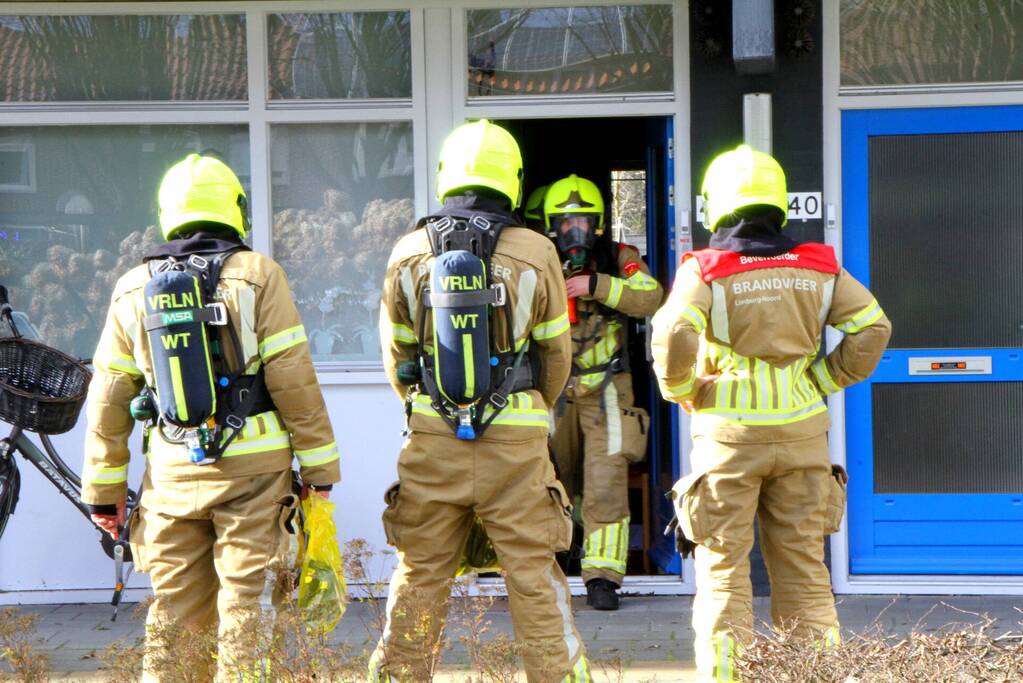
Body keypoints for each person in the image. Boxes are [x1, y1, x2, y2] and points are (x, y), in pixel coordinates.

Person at [83, 153, 340, 680]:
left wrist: (103, 492)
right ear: (235, 209)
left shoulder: (133, 287)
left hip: (173, 481)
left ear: (167, 212)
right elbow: (294, 380)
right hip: (254, 478)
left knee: (174, 615)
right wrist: (319, 473)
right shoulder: (259, 275)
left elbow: (109, 398)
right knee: (244, 609)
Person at [651, 144, 891, 681]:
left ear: (715, 205)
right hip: (804, 438)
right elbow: (874, 328)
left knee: (723, 574)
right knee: (805, 572)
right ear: (778, 204)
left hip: (729, 444)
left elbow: (671, 331)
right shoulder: (820, 266)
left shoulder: (707, 271)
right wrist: (823, 380)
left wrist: (683, 388)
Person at [373, 119, 593, 682]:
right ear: (513, 181)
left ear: (447, 175)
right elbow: (555, 356)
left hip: (432, 441)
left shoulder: (407, 251)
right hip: (515, 446)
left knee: (421, 574)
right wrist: (530, 410)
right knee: (533, 575)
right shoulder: (537, 251)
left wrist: (428, 411)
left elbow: (396, 356)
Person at [543, 174, 663, 611]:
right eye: (565, 222)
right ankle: (557, 561)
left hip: (609, 393)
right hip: (553, 394)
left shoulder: (620, 257)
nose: (575, 230)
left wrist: (597, 286)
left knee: (606, 486)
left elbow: (651, 297)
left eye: (584, 221)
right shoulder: (538, 260)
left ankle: (602, 579)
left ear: (598, 224)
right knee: (553, 482)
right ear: (550, 225)